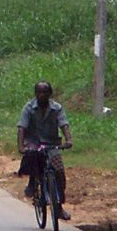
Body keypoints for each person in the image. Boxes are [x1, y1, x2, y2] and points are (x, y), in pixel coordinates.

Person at [17, 80, 73, 220]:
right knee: (32, 156)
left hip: (51, 142)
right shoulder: (29, 108)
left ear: (50, 94)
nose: (42, 95)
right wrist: (21, 146)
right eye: (39, 92)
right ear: (35, 94)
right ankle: (32, 182)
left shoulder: (57, 108)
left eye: (45, 92)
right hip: (33, 141)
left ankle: (58, 207)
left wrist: (68, 140)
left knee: (59, 172)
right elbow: (21, 127)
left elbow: (64, 124)